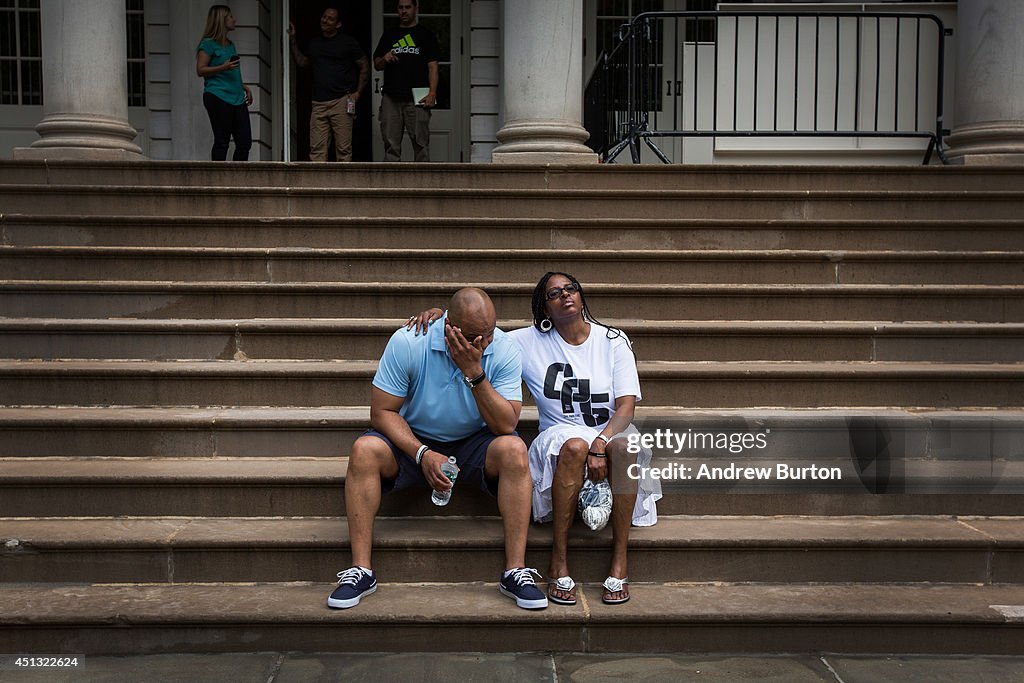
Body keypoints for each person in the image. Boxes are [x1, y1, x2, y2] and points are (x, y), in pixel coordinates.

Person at [408, 273, 660, 605]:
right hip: (559, 432)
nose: (566, 296)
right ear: (544, 308)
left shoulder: (613, 340)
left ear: (581, 295)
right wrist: (442, 316)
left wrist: (602, 441)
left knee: (625, 445)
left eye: (571, 289)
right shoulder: (524, 342)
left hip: (608, 428)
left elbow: (626, 408)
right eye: (555, 294)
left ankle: (619, 561)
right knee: (574, 446)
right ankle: (559, 560)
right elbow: (477, 331)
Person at [329, 288, 548, 611]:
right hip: (413, 440)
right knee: (364, 449)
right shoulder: (409, 341)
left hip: (474, 442)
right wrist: (422, 453)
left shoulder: (502, 348)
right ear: (449, 327)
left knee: (515, 449)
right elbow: (382, 412)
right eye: (474, 336)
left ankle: (515, 571)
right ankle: (361, 570)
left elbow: (505, 424)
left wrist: (474, 372)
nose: (483, 343)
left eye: (488, 333)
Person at [288, 8, 369, 162]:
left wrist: (358, 92)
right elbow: (302, 63)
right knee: (317, 150)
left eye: (330, 19)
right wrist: (292, 42)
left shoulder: (348, 42)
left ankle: (342, 186)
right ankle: (318, 186)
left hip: (342, 100)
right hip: (318, 102)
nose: (325, 21)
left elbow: (364, 64)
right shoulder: (315, 43)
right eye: (324, 17)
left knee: (344, 150)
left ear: (338, 24)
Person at [372, 0, 440, 162]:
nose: (404, 11)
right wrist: (385, 58)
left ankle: (422, 185)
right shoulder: (389, 34)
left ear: (416, 9)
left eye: (407, 7)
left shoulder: (425, 35)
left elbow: (433, 67)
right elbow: (377, 65)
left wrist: (432, 93)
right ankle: (391, 185)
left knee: (421, 144)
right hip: (391, 96)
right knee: (390, 145)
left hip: (418, 97)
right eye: (401, 8)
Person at [196, 5, 252, 161]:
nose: (234, 19)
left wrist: (244, 87)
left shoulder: (230, 44)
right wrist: (223, 66)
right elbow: (200, 70)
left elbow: (232, 72)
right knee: (222, 141)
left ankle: (237, 180)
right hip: (217, 95)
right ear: (221, 20)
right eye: (230, 16)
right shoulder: (208, 44)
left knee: (244, 141)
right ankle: (217, 180)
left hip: (237, 97)